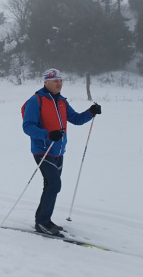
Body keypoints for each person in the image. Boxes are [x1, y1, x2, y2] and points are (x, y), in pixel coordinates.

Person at [22, 68, 101, 236]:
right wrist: (48, 134)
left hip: (58, 151)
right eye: (55, 81)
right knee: (54, 184)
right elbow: (28, 126)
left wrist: (90, 112)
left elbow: (76, 119)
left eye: (60, 81)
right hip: (42, 150)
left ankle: (44, 220)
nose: (59, 84)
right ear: (46, 82)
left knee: (52, 186)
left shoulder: (62, 102)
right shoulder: (36, 101)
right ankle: (42, 221)